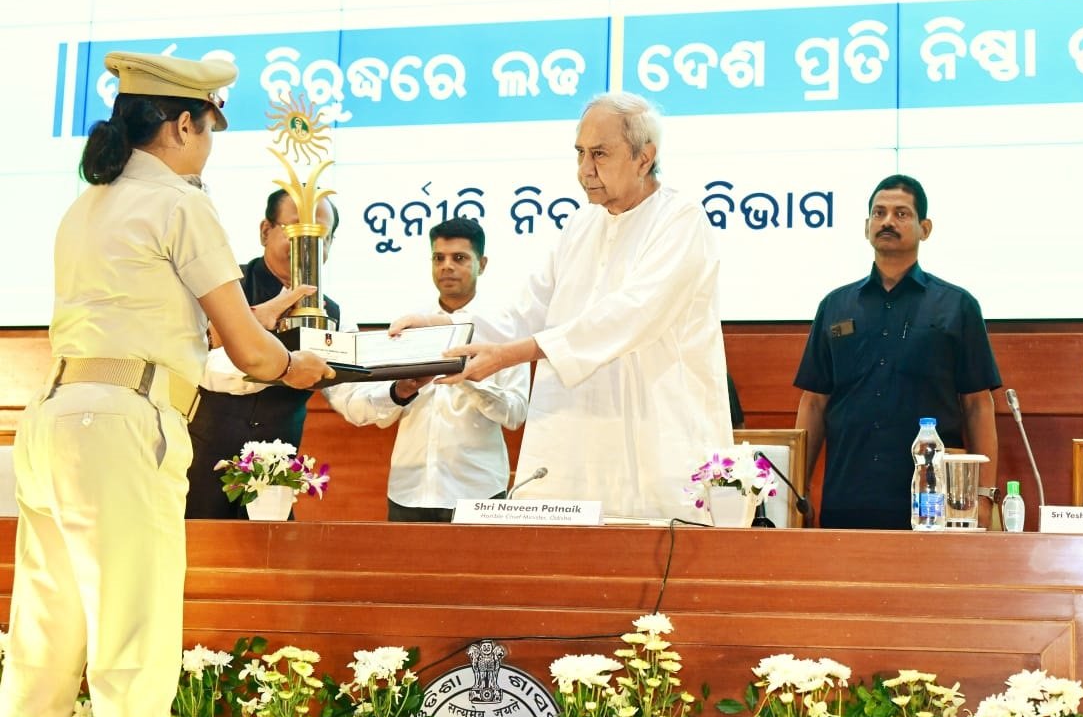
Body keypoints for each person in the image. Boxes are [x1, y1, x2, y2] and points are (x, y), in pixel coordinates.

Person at [0, 52, 331, 717]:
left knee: (40, 654)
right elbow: (247, 351)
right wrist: (294, 363)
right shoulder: (182, 202)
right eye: (208, 126)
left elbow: (159, 319)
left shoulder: (86, 205)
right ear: (182, 123)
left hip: (53, 420)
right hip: (123, 431)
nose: (209, 143)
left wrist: (255, 320)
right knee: (132, 660)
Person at [391, 93, 733, 521]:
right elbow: (526, 309)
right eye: (579, 154)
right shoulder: (580, 223)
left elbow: (630, 315)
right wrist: (444, 324)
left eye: (600, 154)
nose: (584, 170)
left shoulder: (682, 220)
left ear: (644, 158)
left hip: (655, 438)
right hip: (577, 443)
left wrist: (515, 354)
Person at [794, 174, 1001, 530]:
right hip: (847, 498)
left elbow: (978, 404)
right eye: (879, 213)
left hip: (933, 503)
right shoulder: (835, 306)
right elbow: (813, 402)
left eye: (902, 214)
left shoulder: (957, 306)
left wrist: (983, 495)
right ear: (866, 227)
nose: (888, 221)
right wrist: (796, 491)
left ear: (925, 228)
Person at [330, 218, 529, 521]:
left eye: (459, 258)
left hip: (477, 491)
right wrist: (401, 391)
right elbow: (378, 413)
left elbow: (515, 414)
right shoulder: (411, 327)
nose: (447, 266)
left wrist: (466, 378)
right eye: (439, 258)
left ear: (482, 263)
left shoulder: (503, 331)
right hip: (409, 489)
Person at [184, 189, 341, 518]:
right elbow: (197, 363)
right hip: (198, 473)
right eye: (295, 230)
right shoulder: (225, 289)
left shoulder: (332, 313)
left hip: (275, 482)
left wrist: (400, 389)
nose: (307, 246)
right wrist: (279, 361)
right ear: (265, 230)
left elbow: (346, 391)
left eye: (320, 236)